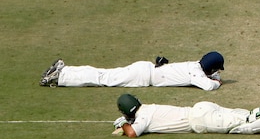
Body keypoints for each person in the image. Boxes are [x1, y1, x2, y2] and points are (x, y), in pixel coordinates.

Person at [112, 93, 260, 137]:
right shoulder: (148, 108)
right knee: (247, 115)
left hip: (201, 120)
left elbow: (132, 133)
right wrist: (128, 120)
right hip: (202, 108)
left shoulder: (143, 118)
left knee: (242, 126)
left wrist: (123, 125)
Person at [40, 51, 225, 90]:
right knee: (103, 78)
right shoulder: (196, 74)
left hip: (143, 69)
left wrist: (213, 76)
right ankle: (60, 77)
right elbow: (208, 86)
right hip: (142, 76)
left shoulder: (194, 65)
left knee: (103, 74)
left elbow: (206, 74)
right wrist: (216, 83)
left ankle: (64, 71)